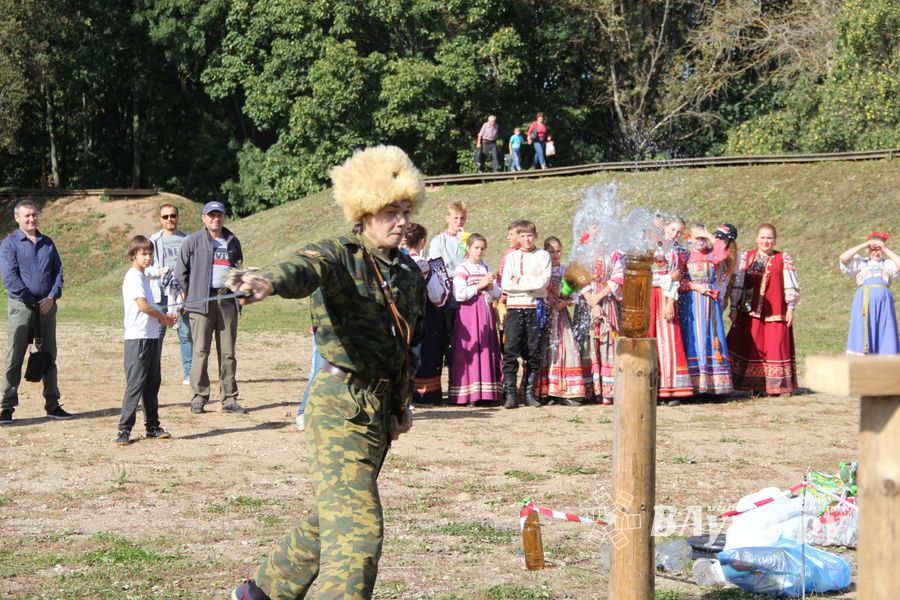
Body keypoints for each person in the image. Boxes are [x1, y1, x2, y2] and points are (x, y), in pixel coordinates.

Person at [230, 145, 425, 600]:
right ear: (364, 211)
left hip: (377, 412)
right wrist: (267, 282)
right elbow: (303, 266)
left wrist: (400, 405)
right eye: (389, 212)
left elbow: (402, 348)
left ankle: (261, 592)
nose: (401, 221)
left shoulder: (408, 274)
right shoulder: (340, 254)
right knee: (358, 535)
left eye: (405, 211)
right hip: (338, 407)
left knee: (334, 515)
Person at [0, 200, 71, 425]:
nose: (31, 219)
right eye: (27, 216)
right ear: (17, 218)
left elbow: (58, 272)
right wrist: (32, 301)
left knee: (48, 354)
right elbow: (10, 278)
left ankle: (53, 404)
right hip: (22, 306)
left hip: (47, 308)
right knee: (15, 355)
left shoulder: (47, 243)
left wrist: (51, 298)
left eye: (34, 215)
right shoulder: (9, 244)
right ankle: (7, 406)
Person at [176, 200, 247, 414]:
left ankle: (229, 399)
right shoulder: (193, 241)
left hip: (227, 302)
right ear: (204, 218)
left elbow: (239, 271)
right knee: (200, 351)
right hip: (201, 304)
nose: (215, 219)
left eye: (219, 215)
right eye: (211, 215)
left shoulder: (233, 241)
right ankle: (199, 397)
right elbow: (181, 273)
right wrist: (192, 295)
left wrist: (239, 295)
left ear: (224, 217)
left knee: (228, 353)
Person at [115, 236, 177, 445]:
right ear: (134, 255)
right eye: (144, 254)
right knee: (136, 384)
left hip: (150, 336)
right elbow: (143, 306)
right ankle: (124, 430)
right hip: (138, 339)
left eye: (150, 253)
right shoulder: (133, 277)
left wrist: (165, 318)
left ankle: (152, 426)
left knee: (152, 384)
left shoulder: (143, 277)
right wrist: (164, 319)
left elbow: (150, 308)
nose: (148, 257)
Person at [727, 223, 799, 396]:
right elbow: (739, 283)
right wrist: (734, 307)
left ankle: (779, 386)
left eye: (769, 238)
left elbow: (790, 283)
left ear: (775, 241)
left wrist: (791, 308)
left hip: (775, 311)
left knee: (776, 345)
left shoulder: (783, 258)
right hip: (750, 311)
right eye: (763, 237)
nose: (766, 241)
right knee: (753, 346)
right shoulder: (748, 257)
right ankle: (754, 385)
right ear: (756, 239)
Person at [500, 220, 552, 408]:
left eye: (529, 235)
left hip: (534, 308)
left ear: (535, 236)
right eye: (522, 236)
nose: (526, 239)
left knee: (533, 352)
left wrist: (520, 281)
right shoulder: (512, 257)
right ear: (518, 237)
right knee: (510, 350)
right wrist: (530, 283)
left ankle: (529, 393)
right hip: (514, 308)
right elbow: (506, 284)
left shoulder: (543, 255)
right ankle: (511, 394)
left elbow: (542, 284)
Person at [448, 233, 503, 406]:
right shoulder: (462, 269)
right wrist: (479, 286)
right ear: (469, 249)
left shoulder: (485, 267)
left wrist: (491, 286)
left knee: (487, 348)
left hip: (485, 312)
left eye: (482, 248)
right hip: (469, 314)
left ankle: (487, 393)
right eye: (476, 248)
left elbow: (497, 293)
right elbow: (459, 294)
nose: (479, 251)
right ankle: (469, 394)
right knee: (470, 349)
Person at [679, 224, 733, 396]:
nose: (700, 242)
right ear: (689, 238)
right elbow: (677, 281)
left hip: (710, 302)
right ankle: (694, 384)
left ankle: (715, 385)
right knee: (694, 337)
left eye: (703, 239)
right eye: (697, 238)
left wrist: (709, 235)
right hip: (692, 302)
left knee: (712, 335)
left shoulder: (711, 254)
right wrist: (693, 286)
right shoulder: (684, 255)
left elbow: (723, 254)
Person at [537, 237, 587, 406]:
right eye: (551, 251)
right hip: (546, 313)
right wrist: (549, 298)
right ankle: (547, 391)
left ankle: (566, 390)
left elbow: (576, 294)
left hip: (562, 314)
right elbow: (539, 288)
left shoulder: (566, 271)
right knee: (547, 349)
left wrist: (564, 302)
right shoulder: (543, 269)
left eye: (558, 251)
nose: (555, 255)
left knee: (567, 349)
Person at [146, 203, 193, 385]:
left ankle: (189, 374)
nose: (169, 219)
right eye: (165, 217)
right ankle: (153, 373)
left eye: (172, 215)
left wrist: (186, 290)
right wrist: (159, 272)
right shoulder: (153, 240)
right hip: (160, 295)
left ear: (178, 217)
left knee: (186, 334)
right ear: (160, 219)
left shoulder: (188, 239)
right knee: (157, 334)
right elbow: (146, 268)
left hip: (182, 294)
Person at [649, 217, 694, 403]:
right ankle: (653, 389)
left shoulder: (676, 252)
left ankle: (672, 388)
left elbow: (675, 278)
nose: (674, 234)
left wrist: (669, 302)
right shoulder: (654, 248)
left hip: (666, 296)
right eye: (672, 229)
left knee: (668, 339)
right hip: (651, 296)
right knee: (651, 338)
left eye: (678, 232)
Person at [405, 223, 450, 404]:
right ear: (422, 241)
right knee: (423, 352)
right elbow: (437, 295)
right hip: (422, 314)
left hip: (400, 313)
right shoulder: (421, 264)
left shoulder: (394, 258)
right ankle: (423, 394)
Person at [839, 232, 900, 355]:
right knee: (863, 328)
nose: (876, 252)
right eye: (873, 250)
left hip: (884, 304)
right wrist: (864, 244)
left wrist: (885, 248)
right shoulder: (861, 263)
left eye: (878, 250)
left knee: (885, 328)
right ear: (868, 250)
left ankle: (885, 358)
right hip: (864, 301)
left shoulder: (887, 264)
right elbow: (843, 258)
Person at [583, 249, 625, 405]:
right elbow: (580, 278)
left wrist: (599, 297)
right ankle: (593, 389)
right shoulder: (584, 251)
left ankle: (609, 390)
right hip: (588, 303)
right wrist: (592, 301)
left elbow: (617, 278)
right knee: (590, 342)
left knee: (608, 341)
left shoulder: (615, 254)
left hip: (607, 302)